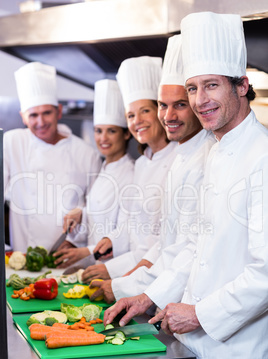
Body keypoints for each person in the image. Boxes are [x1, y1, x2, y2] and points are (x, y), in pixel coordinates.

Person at [105, 12, 268, 359]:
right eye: (193, 88)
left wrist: (198, 314)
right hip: (197, 346)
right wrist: (150, 296)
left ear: (242, 86)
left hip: (236, 357)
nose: (199, 101)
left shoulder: (262, 155)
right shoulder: (215, 151)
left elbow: (265, 273)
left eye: (211, 86)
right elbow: (195, 246)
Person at [89, 34, 215, 304]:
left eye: (180, 104)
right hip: (154, 288)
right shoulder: (165, 158)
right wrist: (124, 279)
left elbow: (185, 250)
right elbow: (162, 240)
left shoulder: (205, 157)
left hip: (177, 298)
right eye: (162, 105)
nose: (168, 116)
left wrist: (126, 284)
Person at [82, 56, 178, 282]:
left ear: (161, 111)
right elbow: (131, 222)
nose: (137, 121)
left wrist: (114, 271)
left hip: (157, 276)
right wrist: (112, 241)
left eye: (145, 111)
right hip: (134, 274)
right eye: (131, 115)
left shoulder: (178, 159)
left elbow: (164, 240)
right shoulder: (143, 163)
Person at [3, 61, 102, 253]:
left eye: (47, 112)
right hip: (22, 256)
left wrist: (77, 242)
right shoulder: (12, 143)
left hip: (69, 255)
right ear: (23, 117)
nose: (41, 122)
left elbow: (97, 207)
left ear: (59, 111)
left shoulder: (86, 153)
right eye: (33, 115)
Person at [53, 79, 134, 268]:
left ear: (126, 134)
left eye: (111, 131)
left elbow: (126, 234)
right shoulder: (104, 168)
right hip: (94, 267)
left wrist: (87, 252)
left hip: (114, 269)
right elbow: (100, 217)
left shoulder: (130, 174)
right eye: (98, 131)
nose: (102, 138)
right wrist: (81, 213)